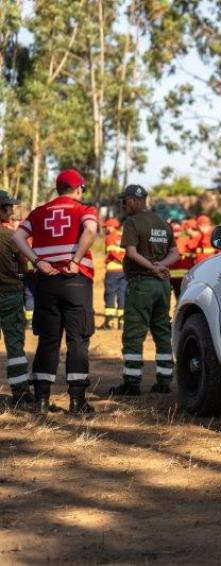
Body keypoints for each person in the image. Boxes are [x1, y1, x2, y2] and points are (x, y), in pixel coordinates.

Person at [12, 169, 98, 414]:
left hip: (46, 282)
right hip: (76, 281)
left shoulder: (39, 212)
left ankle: (41, 400)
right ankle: (77, 400)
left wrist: (37, 261)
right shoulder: (84, 209)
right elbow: (90, 231)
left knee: (48, 340)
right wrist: (76, 260)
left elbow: (18, 237)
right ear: (78, 188)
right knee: (78, 339)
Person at [110, 185, 179, 396]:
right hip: (162, 286)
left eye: (124, 201)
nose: (123, 206)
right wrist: (162, 266)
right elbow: (175, 253)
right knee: (162, 332)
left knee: (134, 334)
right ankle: (164, 381)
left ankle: (131, 383)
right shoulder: (162, 223)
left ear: (133, 200)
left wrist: (151, 267)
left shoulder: (132, 223)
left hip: (142, 284)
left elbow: (131, 252)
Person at [0, 190, 32, 405]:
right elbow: (23, 261)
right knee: (14, 345)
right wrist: (20, 275)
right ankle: (20, 391)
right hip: (10, 294)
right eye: (9, 207)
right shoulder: (10, 236)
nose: (12, 210)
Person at [101, 217, 127, 329]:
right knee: (122, 295)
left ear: (112, 227)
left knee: (110, 295)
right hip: (124, 271)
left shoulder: (110, 237)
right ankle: (122, 322)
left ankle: (109, 322)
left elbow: (112, 253)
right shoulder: (124, 236)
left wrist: (120, 260)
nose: (105, 229)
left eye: (106, 226)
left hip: (112, 271)